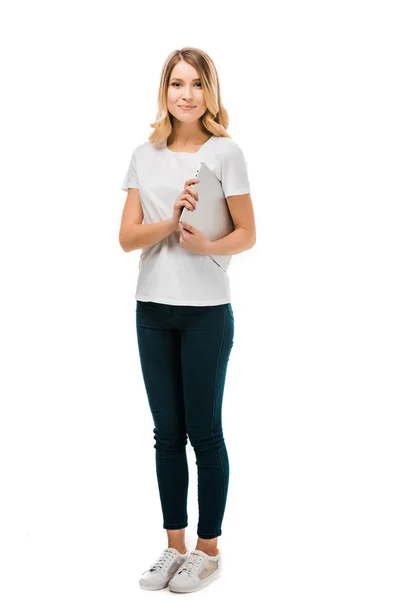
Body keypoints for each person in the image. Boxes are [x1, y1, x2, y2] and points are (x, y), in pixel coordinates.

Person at [119, 47, 256, 593]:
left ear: (210, 92)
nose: (187, 94)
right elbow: (127, 237)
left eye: (198, 84)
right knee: (166, 434)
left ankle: (208, 551)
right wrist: (171, 220)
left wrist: (205, 247)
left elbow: (248, 233)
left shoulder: (227, 153)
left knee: (205, 433)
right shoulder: (143, 154)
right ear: (164, 90)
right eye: (178, 83)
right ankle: (173, 549)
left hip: (206, 313)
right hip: (152, 308)